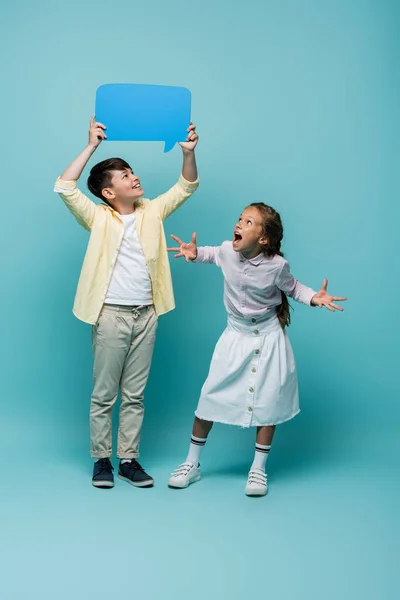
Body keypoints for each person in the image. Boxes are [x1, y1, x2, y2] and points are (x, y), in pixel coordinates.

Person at [54, 116, 199, 489]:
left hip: (147, 314)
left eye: (132, 172)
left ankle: (129, 459)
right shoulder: (98, 217)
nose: (133, 177)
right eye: (124, 175)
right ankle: (102, 460)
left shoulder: (153, 211)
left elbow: (186, 186)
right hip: (110, 315)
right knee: (105, 393)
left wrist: (187, 153)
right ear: (108, 192)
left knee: (135, 394)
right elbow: (65, 186)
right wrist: (91, 146)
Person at [167, 202, 346, 496]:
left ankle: (258, 469)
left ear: (264, 239)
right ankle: (192, 464)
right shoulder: (228, 250)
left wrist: (316, 297)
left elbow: (294, 288)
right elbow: (211, 254)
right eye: (240, 219)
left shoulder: (277, 265)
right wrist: (194, 253)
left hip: (269, 339)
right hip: (235, 338)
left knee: (267, 405)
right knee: (209, 399)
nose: (239, 224)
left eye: (249, 222)